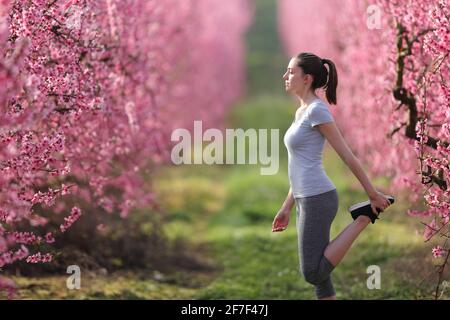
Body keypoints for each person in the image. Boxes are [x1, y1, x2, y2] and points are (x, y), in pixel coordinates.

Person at [272, 52, 392, 300]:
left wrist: (372, 194)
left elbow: (347, 155)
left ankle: (363, 218)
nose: (285, 76)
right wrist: (286, 207)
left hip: (317, 198)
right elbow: (299, 166)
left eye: (291, 72)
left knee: (313, 272)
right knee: (322, 280)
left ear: (307, 78)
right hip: (305, 198)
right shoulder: (301, 112)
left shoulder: (317, 111)